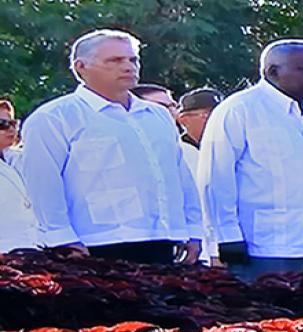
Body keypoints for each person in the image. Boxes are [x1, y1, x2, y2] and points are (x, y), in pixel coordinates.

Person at [21, 29, 202, 265]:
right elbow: (42, 183)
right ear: (80, 67)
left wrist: (193, 228)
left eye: (133, 59)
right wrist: (61, 239)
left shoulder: (156, 115)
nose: (128, 66)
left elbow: (179, 176)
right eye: (115, 60)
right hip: (94, 244)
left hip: (162, 239)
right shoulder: (55, 117)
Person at [197, 38, 303, 283]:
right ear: (273, 71)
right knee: (269, 318)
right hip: (266, 247)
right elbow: (216, 179)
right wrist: (224, 237)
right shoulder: (239, 110)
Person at [176, 87, 224, 266]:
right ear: (183, 119)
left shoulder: (226, 151)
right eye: (207, 114)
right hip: (195, 249)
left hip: (230, 245)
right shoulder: (179, 153)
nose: (214, 120)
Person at [0, 99, 38, 253]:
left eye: (13, 124)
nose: (11, 129)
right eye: (2, 124)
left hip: (36, 248)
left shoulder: (21, 158)